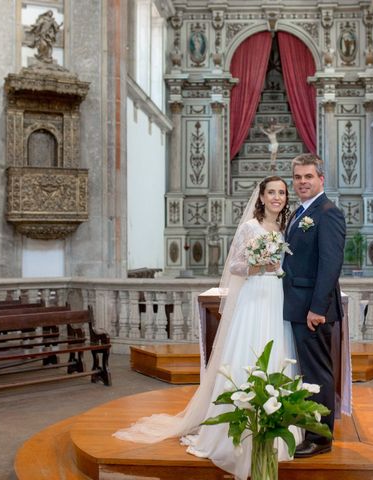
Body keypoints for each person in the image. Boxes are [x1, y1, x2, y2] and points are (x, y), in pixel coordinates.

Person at [114, 176, 300, 480]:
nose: (277, 197)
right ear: (262, 197)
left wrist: (274, 266)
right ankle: (236, 431)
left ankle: (276, 430)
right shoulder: (249, 228)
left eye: (281, 192)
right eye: (271, 193)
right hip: (254, 299)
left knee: (279, 355)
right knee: (248, 357)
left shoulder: (285, 228)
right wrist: (258, 264)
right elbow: (235, 267)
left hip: (277, 299)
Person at [282, 153, 347, 458]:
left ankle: (321, 438)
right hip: (299, 305)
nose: (302, 182)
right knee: (307, 373)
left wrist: (318, 308)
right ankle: (309, 428)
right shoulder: (300, 212)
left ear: (321, 178)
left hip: (313, 310)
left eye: (308, 176)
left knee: (318, 373)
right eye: (297, 177)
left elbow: (330, 264)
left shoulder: (327, 212)